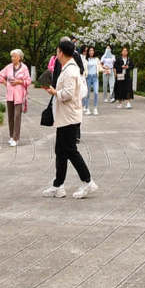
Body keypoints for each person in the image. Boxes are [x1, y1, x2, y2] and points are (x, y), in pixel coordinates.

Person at [39, 39, 96, 198]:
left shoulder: (70, 70)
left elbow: (68, 94)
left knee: (70, 151)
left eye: (57, 51)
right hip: (65, 116)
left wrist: (54, 92)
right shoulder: (68, 67)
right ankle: (58, 185)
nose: (56, 54)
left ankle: (88, 181)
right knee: (61, 151)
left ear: (61, 52)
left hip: (69, 117)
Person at [0, 48, 34, 146]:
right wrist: (6, 83)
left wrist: (19, 82)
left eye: (14, 56)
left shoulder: (24, 68)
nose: (12, 58)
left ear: (20, 58)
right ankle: (11, 136)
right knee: (10, 116)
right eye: (12, 56)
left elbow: (29, 81)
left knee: (17, 116)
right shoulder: (8, 67)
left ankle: (16, 138)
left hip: (19, 95)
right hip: (10, 95)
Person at [82, 45, 102, 116]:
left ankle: (95, 108)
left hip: (95, 77)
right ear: (88, 52)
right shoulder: (85, 60)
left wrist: (105, 70)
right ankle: (87, 108)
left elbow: (100, 68)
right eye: (90, 50)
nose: (91, 52)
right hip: (88, 77)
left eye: (92, 50)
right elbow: (83, 69)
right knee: (87, 94)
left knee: (96, 92)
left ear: (94, 52)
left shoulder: (96, 59)